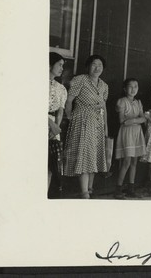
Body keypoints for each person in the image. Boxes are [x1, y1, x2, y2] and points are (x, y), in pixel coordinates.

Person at [63, 55, 109, 199]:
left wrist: (106, 126)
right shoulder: (80, 80)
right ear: (88, 66)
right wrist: (69, 116)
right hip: (82, 120)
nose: (97, 68)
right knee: (85, 154)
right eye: (94, 65)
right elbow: (69, 100)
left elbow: (103, 106)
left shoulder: (104, 85)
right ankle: (84, 192)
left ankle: (90, 188)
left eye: (100, 65)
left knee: (94, 155)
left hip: (97, 123)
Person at [113, 78, 146, 199]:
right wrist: (137, 120)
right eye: (130, 86)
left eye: (136, 86)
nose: (133, 89)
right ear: (125, 89)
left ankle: (131, 188)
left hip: (137, 133)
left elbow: (143, 118)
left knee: (134, 161)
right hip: (127, 133)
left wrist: (132, 120)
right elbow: (122, 121)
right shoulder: (122, 101)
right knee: (126, 161)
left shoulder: (138, 102)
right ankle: (118, 189)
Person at [48, 52, 67, 193]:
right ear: (50, 64)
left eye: (63, 66)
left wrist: (56, 128)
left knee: (51, 164)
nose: (61, 68)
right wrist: (51, 124)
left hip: (54, 129)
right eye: (59, 65)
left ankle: (45, 192)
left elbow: (60, 110)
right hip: (39, 124)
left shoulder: (61, 88)